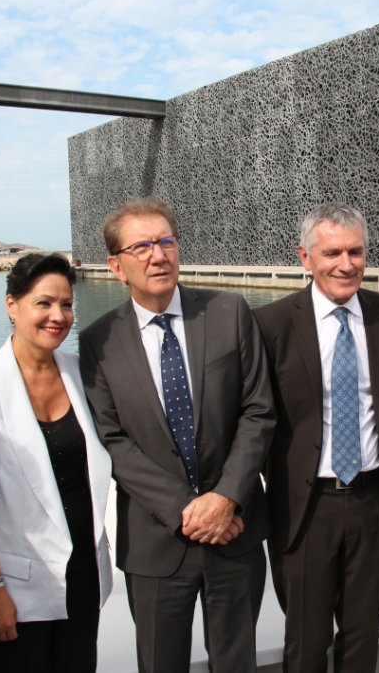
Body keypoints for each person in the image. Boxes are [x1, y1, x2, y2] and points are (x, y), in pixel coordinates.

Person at [79, 197, 275, 673]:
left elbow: (259, 411)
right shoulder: (97, 342)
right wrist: (189, 511)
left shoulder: (228, 312)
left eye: (166, 241)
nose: (157, 255)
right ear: (116, 265)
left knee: (236, 665)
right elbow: (115, 441)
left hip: (235, 532)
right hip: (155, 544)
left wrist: (225, 498)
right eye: (141, 246)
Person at [253, 202, 379, 672]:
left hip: (372, 501)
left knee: (362, 638)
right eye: (333, 252)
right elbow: (257, 418)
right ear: (305, 257)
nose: (346, 264)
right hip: (303, 509)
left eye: (356, 252)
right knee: (305, 639)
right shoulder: (270, 325)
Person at [0, 253, 113, 672]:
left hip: (81, 577)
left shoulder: (82, 374)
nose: (58, 315)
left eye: (66, 304)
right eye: (43, 303)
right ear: (11, 305)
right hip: (14, 588)